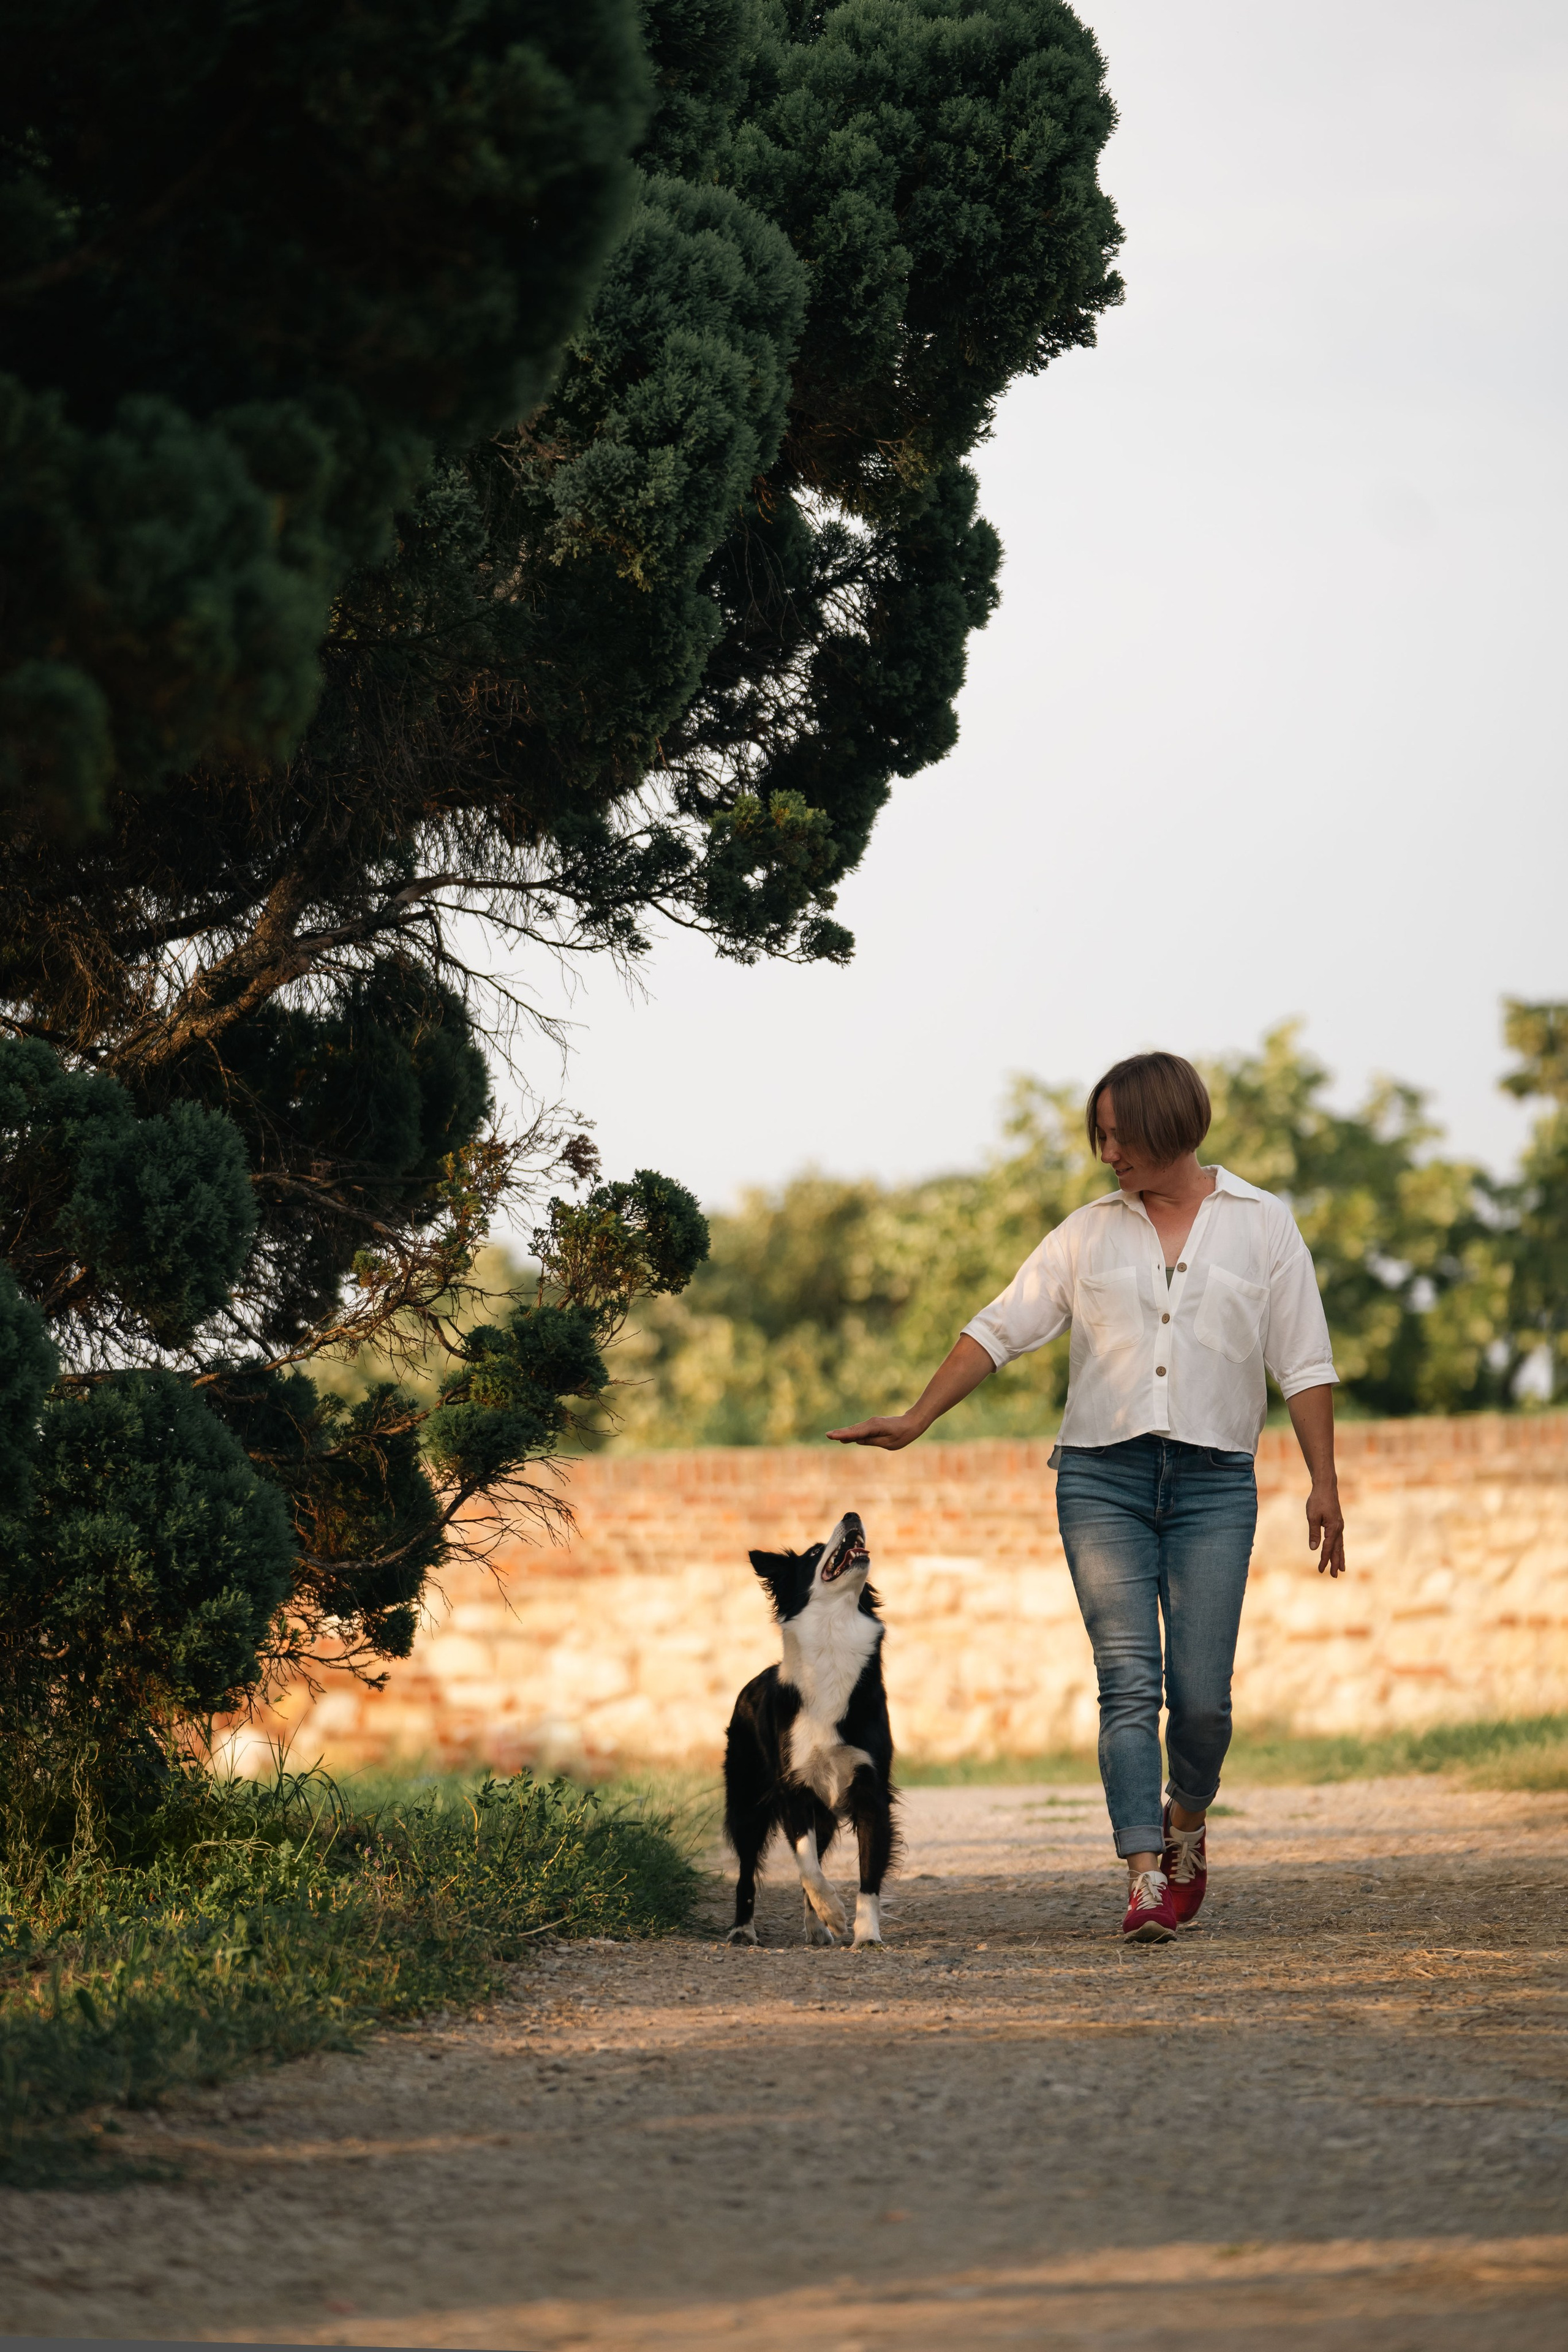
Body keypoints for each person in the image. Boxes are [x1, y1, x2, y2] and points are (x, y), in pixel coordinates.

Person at [829, 1049, 1345, 1944]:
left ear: (1168, 1126)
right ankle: (1144, 1876)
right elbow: (1000, 1327)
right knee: (1128, 1683)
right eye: (1099, 1137)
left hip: (1215, 1484)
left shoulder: (1263, 1225)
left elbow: (1304, 1362)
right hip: (1101, 1479)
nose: (1107, 1154)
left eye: (1118, 1136)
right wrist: (917, 1418)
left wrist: (1323, 1482)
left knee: (1203, 1700)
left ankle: (1187, 1821)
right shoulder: (1086, 1233)